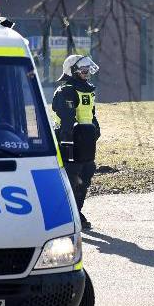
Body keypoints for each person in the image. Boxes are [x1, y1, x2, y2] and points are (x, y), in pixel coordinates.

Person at [52, 54, 101, 231]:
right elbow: (66, 120)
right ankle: (67, 215)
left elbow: (90, 113)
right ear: (72, 71)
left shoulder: (88, 89)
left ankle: (76, 212)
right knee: (72, 178)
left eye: (88, 70)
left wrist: (95, 128)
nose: (87, 73)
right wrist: (68, 147)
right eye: (83, 70)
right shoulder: (67, 90)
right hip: (70, 141)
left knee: (86, 174)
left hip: (85, 139)